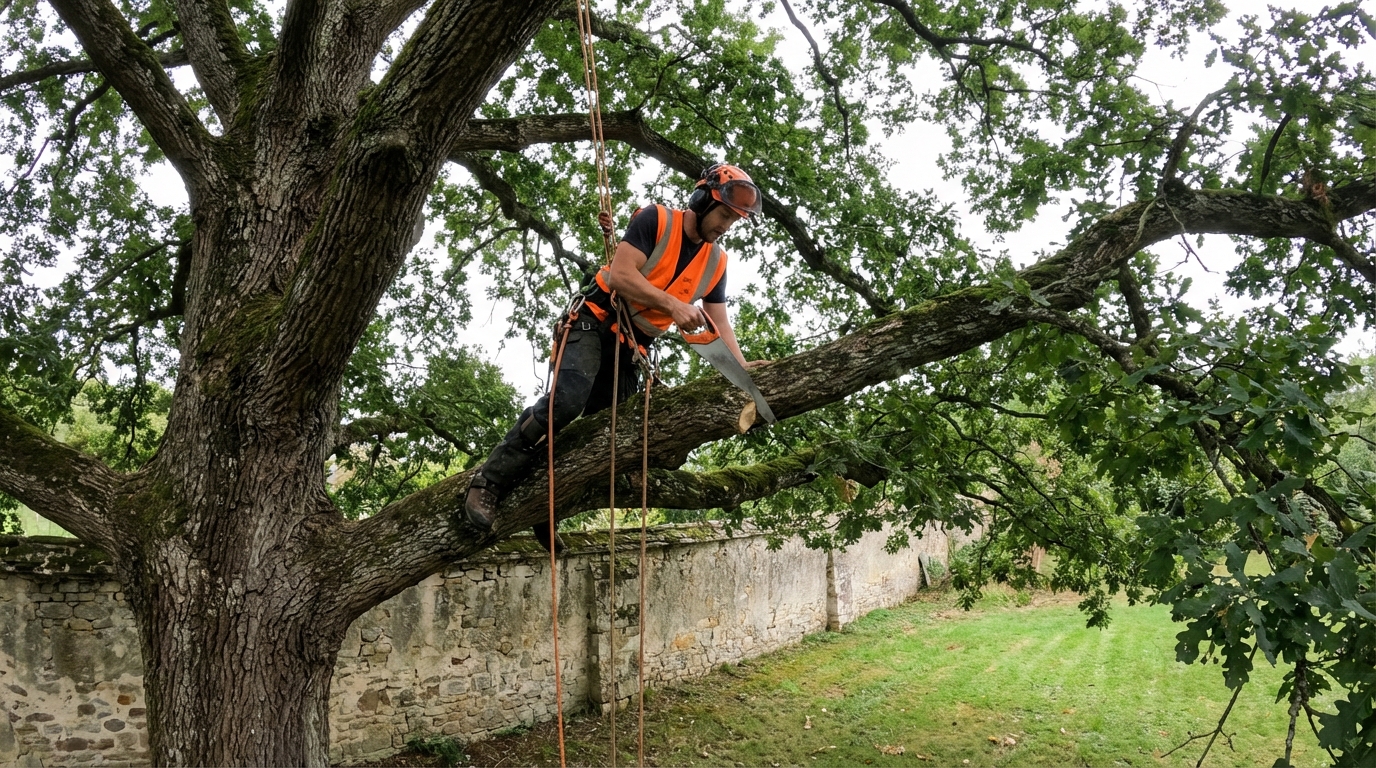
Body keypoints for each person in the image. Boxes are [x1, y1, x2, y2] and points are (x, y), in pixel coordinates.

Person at [464, 163, 769, 549]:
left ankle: (550, 507)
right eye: (725, 214)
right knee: (567, 401)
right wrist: (674, 306)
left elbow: (720, 321)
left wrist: (741, 368)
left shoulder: (716, 262)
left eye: (734, 220)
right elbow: (623, 276)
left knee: (612, 439)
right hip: (595, 318)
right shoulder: (657, 220)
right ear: (702, 200)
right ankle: (489, 481)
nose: (726, 225)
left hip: (632, 345)